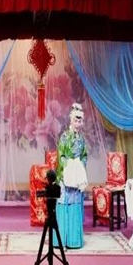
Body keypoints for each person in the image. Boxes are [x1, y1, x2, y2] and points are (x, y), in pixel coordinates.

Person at [53, 103, 88, 249]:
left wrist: (80, 165)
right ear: (71, 120)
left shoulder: (82, 139)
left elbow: (84, 155)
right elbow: (61, 155)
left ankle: (74, 240)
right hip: (66, 175)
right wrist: (68, 166)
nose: (78, 123)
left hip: (77, 174)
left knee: (75, 205)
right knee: (64, 204)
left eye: (80, 121)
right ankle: (61, 240)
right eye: (76, 120)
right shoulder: (64, 137)